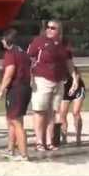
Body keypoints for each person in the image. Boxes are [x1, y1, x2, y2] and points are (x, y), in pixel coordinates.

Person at [27, 20, 80, 152]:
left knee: (52, 112)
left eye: (53, 28)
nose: (49, 30)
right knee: (40, 111)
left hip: (58, 81)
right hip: (42, 79)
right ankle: (39, 142)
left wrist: (74, 78)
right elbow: (29, 58)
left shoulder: (64, 45)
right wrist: (30, 77)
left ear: (59, 31)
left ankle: (49, 141)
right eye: (48, 27)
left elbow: (69, 62)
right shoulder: (39, 41)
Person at [0, 29, 31, 162]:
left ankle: (24, 155)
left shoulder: (10, 53)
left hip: (16, 89)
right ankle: (10, 150)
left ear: (7, 41)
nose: (1, 41)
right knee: (12, 120)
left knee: (16, 122)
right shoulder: (23, 53)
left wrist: (1, 89)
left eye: (3, 39)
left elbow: (9, 72)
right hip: (25, 88)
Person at [58, 67, 86, 146]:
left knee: (75, 112)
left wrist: (75, 82)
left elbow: (77, 73)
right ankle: (64, 137)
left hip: (78, 89)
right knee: (62, 114)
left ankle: (78, 137)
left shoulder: (68, 64)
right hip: (64, 90)